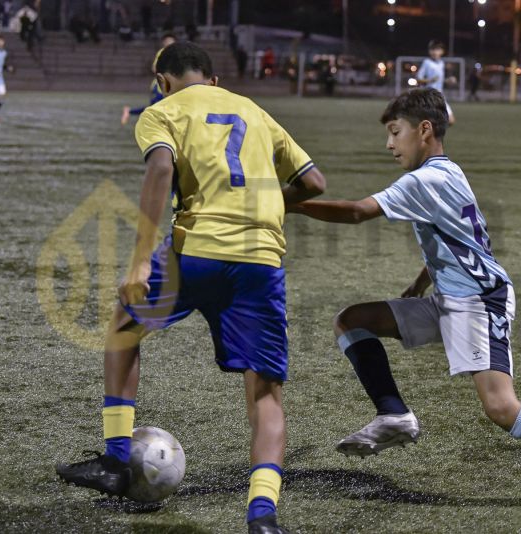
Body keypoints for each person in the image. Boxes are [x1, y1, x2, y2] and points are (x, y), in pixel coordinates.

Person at [287, 88, 521, 516]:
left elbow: (359, 211)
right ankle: (393, 414)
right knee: (351, 320)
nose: (389, 145)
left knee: (501, 407)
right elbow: (462, 240)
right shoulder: (448, 171)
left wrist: (294, 206)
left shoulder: (426, 179)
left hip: (480, 301)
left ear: (424, 130)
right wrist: (421, 281)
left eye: (396, 133)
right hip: (451, 297)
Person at [55, 42, 327, 534]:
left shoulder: (162, 111)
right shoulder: (255, 111)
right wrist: (267, 202)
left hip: (195, 252)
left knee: (123, 326)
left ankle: (118, 460)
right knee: (265, 394)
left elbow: (160, 169)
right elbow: (314, 182)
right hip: (260, 262)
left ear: (163, 81)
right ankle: (262, 515)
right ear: (214, 80)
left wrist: (139, 261)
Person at [121, 33, 175, 125]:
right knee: (155, 108)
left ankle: (129, 111)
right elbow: (154, 69)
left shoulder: (175, 54)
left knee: (159, 108)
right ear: (164, 43)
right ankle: (130, 112)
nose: (169, 43)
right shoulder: (162, 52)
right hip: (160, 85)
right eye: (167, 41)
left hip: (169, 85)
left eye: (171, 41)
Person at [416, 40, 455, 126]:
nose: (434, 52)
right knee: (429, 122)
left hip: (440, 96)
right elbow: (418, 78)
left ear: (442, 51)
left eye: (437, 49)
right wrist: (430, 80)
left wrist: (448, 80)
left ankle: (433, 132)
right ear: (429, 51)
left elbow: (440, 80)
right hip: (430, 96)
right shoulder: (427, 62)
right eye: (432, 50)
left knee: (451, 121)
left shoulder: (441, 63)